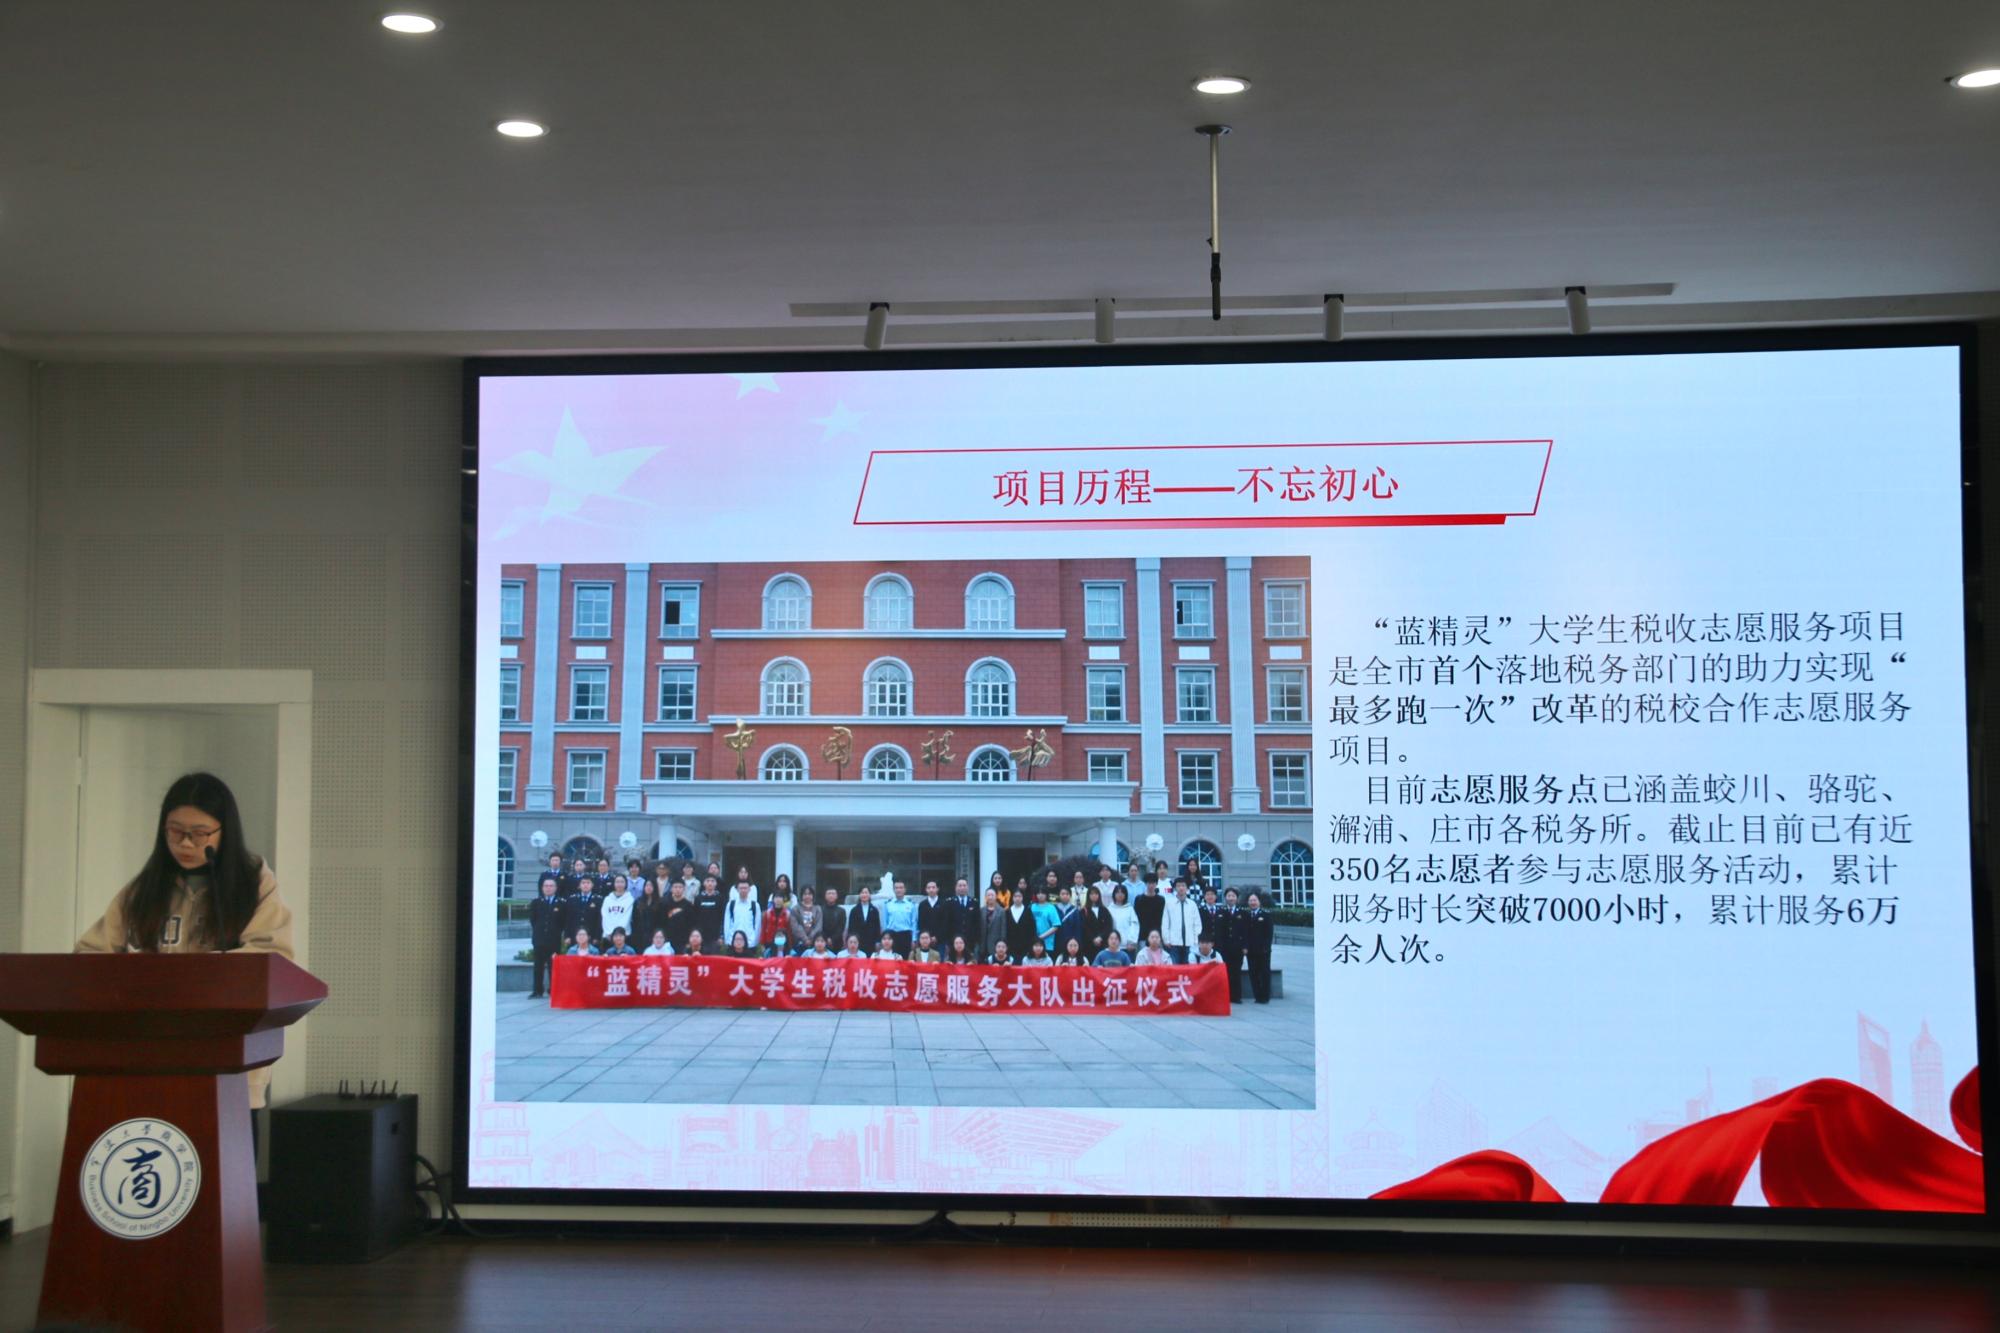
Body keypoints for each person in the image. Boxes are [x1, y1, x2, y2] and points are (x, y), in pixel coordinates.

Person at [77, 772, 296, 1111]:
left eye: (199, 833)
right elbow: (90, 955)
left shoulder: (253, 883)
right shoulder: (144, 888)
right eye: (175, 831)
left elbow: (271, 957)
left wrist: (196, 974)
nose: (186, 844)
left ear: (224, 831)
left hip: (230, 1062)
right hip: (151, 1059)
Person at [528, 873, 563, 998]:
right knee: (538, 966)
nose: (548, 888)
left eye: (551, 886)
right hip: (539, 939)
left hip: (554, 940)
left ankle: (553, 989)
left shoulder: (561, 903)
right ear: (542, 888)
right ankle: (537, 990)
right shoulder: (536, 902)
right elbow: (533, 920)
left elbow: (562, 922)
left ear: (556, 888)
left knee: (554, 966)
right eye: (546, 886)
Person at [1242, 892, 1276, 1004]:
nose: (1253, 902)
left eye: (1255, 900)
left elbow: (1269, 934)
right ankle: (1257, 996)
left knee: (1264, 973)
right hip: (1251, 951)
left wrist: (1266, 947)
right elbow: (1245, 933)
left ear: (1259, 902)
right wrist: (1245, 947)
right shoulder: (1246, 916)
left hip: (1263, 950)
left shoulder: (1266, 915)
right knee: (1253, 973)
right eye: (1251, 900)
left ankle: (1265, 996)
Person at [1161, 879, 1203, 964]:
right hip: (1173, 943)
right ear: (1175, 888)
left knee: (1188, 968)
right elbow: (1165, 923)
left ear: (1187, 888)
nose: (1181, 888)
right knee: (1174, 968)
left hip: (1190, 943)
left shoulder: (1192, 904)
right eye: (1178, 886)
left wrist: (1196, 940)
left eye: (1183, 886)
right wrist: (1166, 939)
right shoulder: (1169, 904)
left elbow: (1197, 924)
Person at [1216, 887, 1246, 1002]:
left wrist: (1245, 946)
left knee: (1236, 972)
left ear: (1237, 898)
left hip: (1238, 948)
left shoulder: (1242, 913)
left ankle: (1237, 996)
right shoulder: (1220, 912)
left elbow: (1246, 931)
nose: (1231, 898)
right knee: (1225, 972)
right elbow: (1218, 931)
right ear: (1225, 898)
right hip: (1224, 948)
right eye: (1229, 896)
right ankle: (1226, 996)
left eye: (1233, 896)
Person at [948, 877, 983, 960]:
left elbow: (977, 923)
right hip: (954, 940)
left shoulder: (974, 902)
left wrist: (976, 939)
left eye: (964, 885)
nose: (962, 888)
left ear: (967, 887)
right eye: (960, 886)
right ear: (956, 888)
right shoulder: (950, 902)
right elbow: (947, 923)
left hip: (970, 940)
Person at [723, 879, 761, 951]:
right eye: (741, 888)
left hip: (750, 943)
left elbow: (757, 925)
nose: (743, 890)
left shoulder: (755, 905)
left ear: (749, 890)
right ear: (737, 890)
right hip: (733, 942)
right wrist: (727, 941)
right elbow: (727, 924)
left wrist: (755, 942)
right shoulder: (731, 904)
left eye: (745, 888)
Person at [882, 879, 917, 955]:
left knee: (905, 959)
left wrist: (914, 939)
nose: (899, 890)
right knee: (892, 959)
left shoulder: (911, 905)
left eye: (901, 888)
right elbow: (885, 922)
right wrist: (884, 938)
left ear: (905, 890)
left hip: (906, 936)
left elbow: (914, 923)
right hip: (891, 935)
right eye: (896, 888)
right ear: (894, 890)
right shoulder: (888, 904)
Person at [1002, 890, 1039, 962]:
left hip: (1025, 945)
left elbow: (1032, 928)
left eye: (1019, 896)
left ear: (1022, 898)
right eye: (1015, 896)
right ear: (1012, 898)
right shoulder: (1007, 912)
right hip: (1010, 944)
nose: (1017, 898)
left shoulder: (1028, 911)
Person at [631, 876, 666, 947]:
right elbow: (634, 920)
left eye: (651, 885)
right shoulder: (638, 902)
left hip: (655, 936)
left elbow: (663, 922)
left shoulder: (660, 903)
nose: (648, 887)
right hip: (640, 936)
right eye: (647, 885)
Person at [1080, 885, 1114, 958]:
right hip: (1088, 945)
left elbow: (1108, 926)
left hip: (1103, 944)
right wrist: (1093, 939)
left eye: (1096, 893)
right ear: (1088, 896)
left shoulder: (1104, 910)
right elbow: (1084, 928)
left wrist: (1100, 937)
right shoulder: (1084, 911)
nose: (1094, 896)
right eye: (1092, 894)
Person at [1133, 873, 1167, 946]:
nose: (1151, 885)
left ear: (1156, 884)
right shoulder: (1139, 899)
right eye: (1149, 883)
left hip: (1157, 935)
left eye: (1153, 883)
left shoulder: (1161, 900)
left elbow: (1163, 918)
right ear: (1145, 884)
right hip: (1142, 935)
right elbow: (1135, 918)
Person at [847, 885, 883, 953]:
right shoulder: (854, 910)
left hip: (871, 941)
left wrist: (878, 941)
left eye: (866, 892)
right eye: (862, 893)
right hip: (857, 942)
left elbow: (877, 927)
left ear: (869, 895)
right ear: (859, 895)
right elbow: (851, 928)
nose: (864, 895)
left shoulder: (874, 910)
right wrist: (851, 941)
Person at [600, 875, 635, 942]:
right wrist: (610, 932)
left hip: (624, 936)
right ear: (614, 883)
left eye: (622, 882)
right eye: (617, 882)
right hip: (608, 936)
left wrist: (619, 933)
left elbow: (627, 918)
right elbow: (605, 917)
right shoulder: (607, 899)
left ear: (626, 884)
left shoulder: (630, 900)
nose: (619, 884)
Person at [662, 880, 695, 953]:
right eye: (675, 887)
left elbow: (691, 924)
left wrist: (688, 941)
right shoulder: (665, 904)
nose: (678, 889)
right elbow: (662, 922)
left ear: (684, 889)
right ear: (671, 889)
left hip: (683, 941)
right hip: (667, 941)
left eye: (680, 887)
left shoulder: (688, 905)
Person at [1107, 884, 1140, 955]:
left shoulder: (1130, 909)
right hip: (1113, 946)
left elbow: (1134, 925)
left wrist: (1132, 941)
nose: (1120, 894)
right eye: (1118, 892)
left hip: (1128, 946)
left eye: (1122, 892)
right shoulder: (1109, 909)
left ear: (1125, 895)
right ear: (1114, 894)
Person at [916, 880, 950, 947]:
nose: (931, 890)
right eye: (929, 888)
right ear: (926, 890)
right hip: (925, 941)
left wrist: (937, 937)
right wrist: (928, 937)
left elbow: (945, 922)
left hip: (940, 940)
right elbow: (921, 923)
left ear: (937, 889)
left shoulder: (944, 903)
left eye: (933, 887)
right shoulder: (922, 905)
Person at [759, 890, 794, 955]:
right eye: (776, 897)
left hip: (783, 944)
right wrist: (762, 944)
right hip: (769, 943)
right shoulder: (767, 913)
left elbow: (789, 931)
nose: (778, 899)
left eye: (780, 897)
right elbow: (763, 929)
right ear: (773, 899)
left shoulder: (787, 914)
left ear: (783, 900)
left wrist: (790, 946)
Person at [1053, 885, 1083, 958]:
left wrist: (1076, 942)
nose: (1065, 896)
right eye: (1062, 894)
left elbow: (1077, 928)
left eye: (1067, 894)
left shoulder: (1074, 910)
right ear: (1059, 895)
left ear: (1070, 896)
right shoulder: (1054, 908)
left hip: (1070, 943)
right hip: (1056, 941)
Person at [792, 885, 824, 954]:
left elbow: (819, 926)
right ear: (801, 896)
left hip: (814, 942)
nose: (807, 896)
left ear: (813, 895)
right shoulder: (796, 909)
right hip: (799, 942)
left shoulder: (817, 908)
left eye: (809, 894)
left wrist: (811, 938)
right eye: (805, 894)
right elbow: (795, 926)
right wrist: (805, 939)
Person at [695, 873, 725, 944]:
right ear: (704, 883)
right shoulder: (698, 898)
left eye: (712, 881)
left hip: (715, 935)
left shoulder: (720, 898)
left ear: (716, 883)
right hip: (701, 935)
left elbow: (723, 917)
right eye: (708, 881)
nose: (710, 883)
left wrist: (721, 936)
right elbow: (695, 917)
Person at [1031, 886, 1060, 957]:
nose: (1040, 895)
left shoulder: (1051, 907)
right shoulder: (1032, 907)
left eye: (1042, 893)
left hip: (1047, 943)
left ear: (1046, 894)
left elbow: (1056, 926)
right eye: (1038, 893)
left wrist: (1041, 937)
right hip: (1033, 942)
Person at [821, 886, 848, 955]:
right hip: (822, 942)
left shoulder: (841, 911)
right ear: (825, 896)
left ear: (836, 896)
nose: (831, 895)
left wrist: (832, 939)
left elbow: (841, 927)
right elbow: (820, 926)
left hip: (837, 943)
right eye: (829, 893)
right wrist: (826, 939)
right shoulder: (820, 910)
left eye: (833, 893)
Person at [980, 888, 1005, 961]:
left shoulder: (1001, 911)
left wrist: (1002, 944)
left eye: (992, 895)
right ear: (985, 897)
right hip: (983, 944)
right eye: (988, 895)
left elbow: (1003, 929)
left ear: (996, 896)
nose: (990, 897)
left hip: (995, 944)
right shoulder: (981, 910)